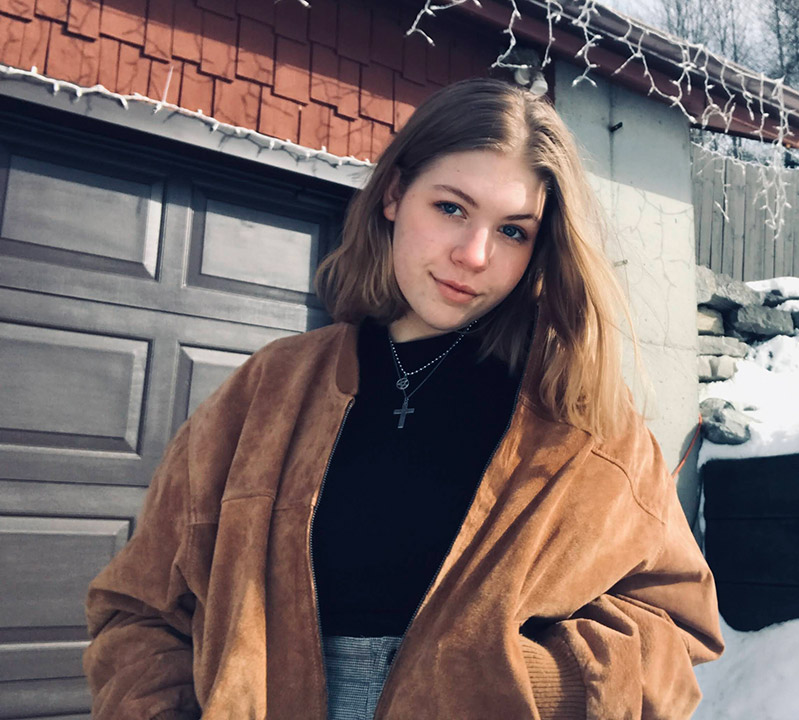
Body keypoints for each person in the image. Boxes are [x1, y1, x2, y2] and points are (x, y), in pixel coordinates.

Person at [83, 77, 724, 720]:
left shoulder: (585, 422)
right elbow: (137, 609)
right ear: (394, 194)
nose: (473, 255)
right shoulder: (267, 393)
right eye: (451, 208)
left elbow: (675, 628)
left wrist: (526, 681)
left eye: (512, 231)